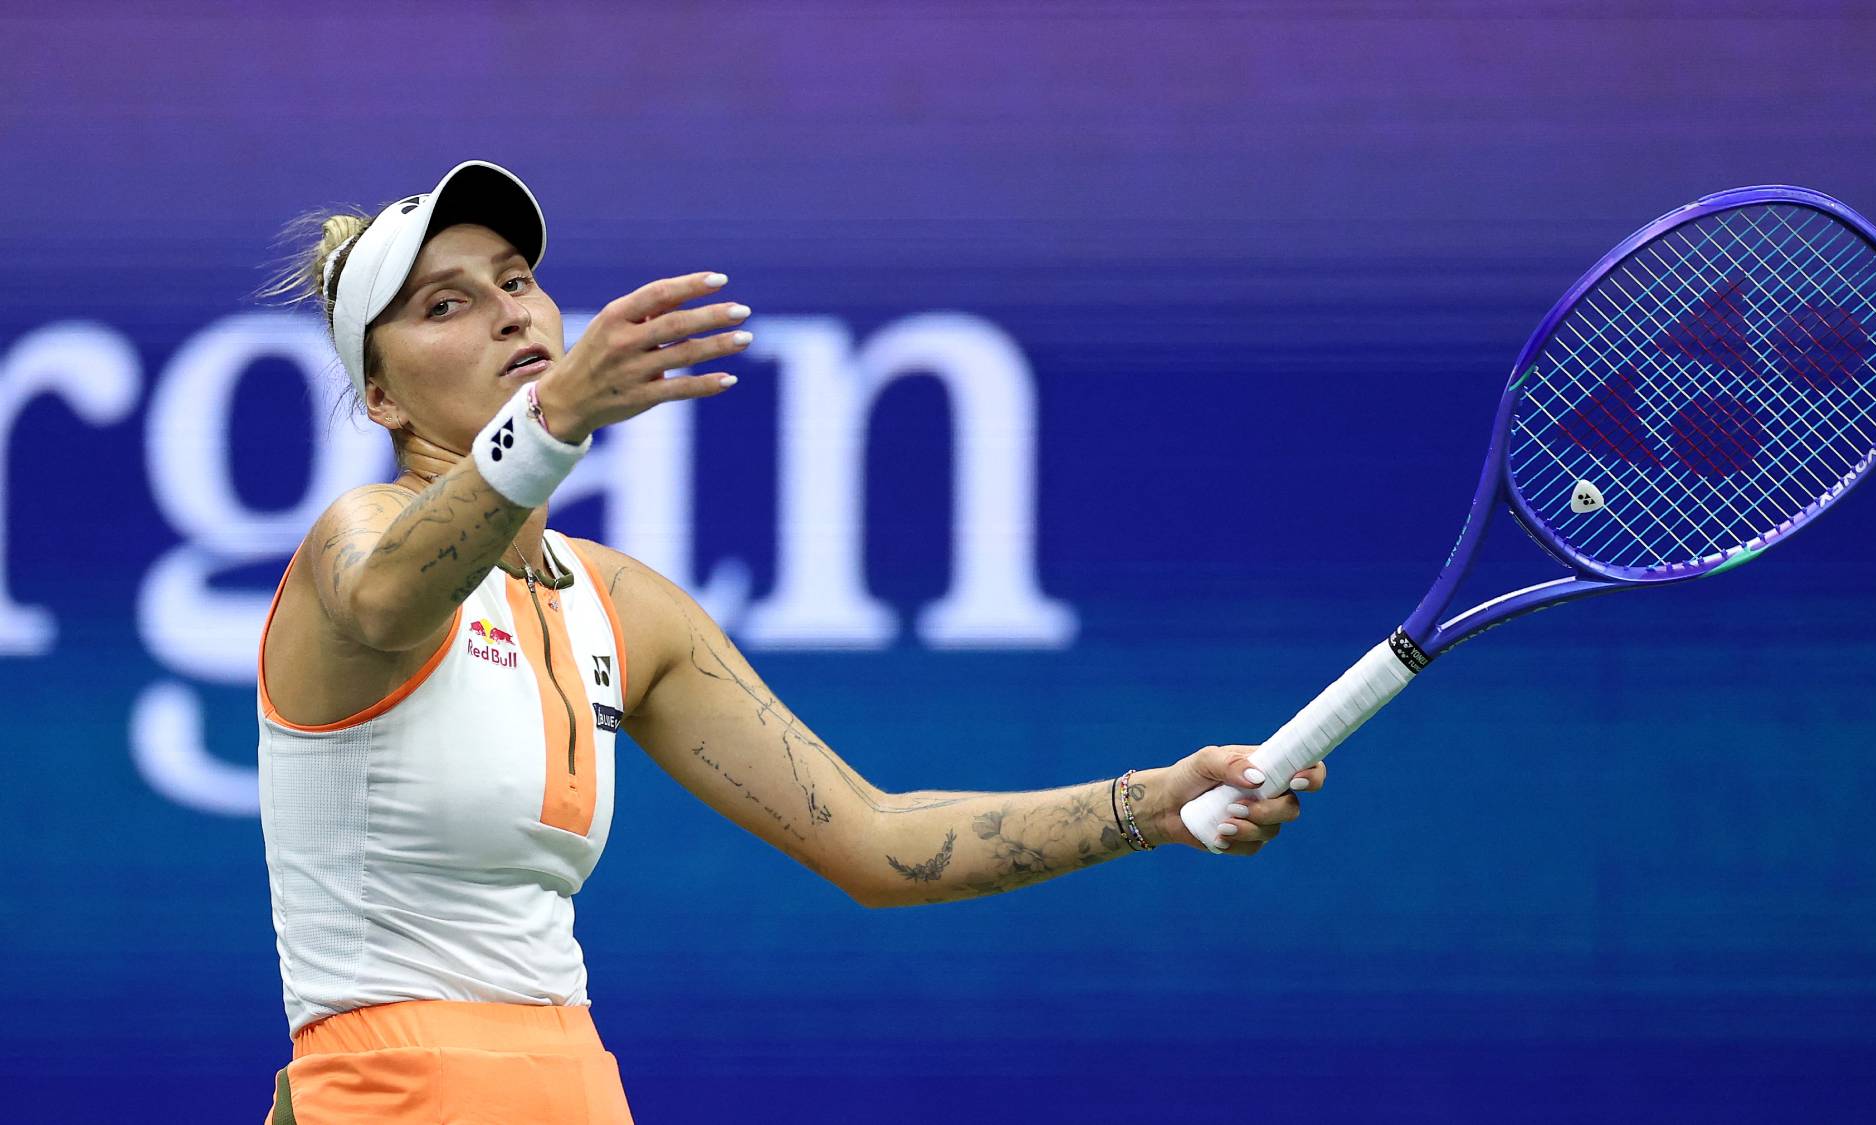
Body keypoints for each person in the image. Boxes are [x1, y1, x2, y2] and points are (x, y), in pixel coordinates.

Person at [256, 160, 1324, 1123]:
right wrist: (550, 425)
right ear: (381, 397)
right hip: (386, 1093)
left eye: (516, 280)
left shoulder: (623, 605)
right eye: (447, 304)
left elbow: (872, 838)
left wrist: (1155, 804)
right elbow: (393, 599)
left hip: (571, 1086)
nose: (506, 314)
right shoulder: (356, 541)